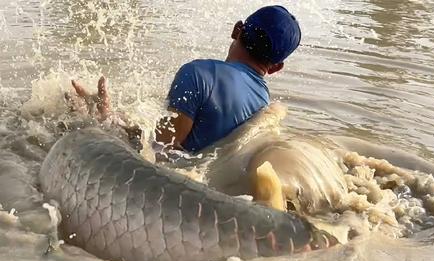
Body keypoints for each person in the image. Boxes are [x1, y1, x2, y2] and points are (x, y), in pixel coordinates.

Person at [69, 5, 301, 153]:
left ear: (236, 30)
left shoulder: (198, 74)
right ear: (276, 68)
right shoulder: (263, 103)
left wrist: (105, 122)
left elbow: (160, 149)